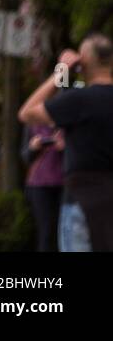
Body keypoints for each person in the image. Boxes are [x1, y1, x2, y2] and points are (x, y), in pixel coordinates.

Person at [19, 34, 113, 251]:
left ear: (85, 61)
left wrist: (60, 71)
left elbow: (27, 113)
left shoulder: (79, 100)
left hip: (81, 199)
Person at [21, 122, 65, 252]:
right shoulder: (32, 125)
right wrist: (33, 148)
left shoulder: (67, 120)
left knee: (65, 230)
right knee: (45, 231)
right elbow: (25, 157)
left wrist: (64, 147)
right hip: (39, 185)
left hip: (65, 184)